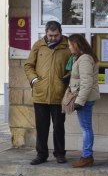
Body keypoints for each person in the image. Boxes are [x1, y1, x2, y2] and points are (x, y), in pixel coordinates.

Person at [24, 21, 72, 165]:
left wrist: (68, 76)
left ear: (61, 32)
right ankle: (41, 154)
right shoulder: (38, 46)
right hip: (41, 94)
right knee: (41, 126)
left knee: (58, 126)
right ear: (46, 32)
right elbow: (28, 66)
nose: (52, 38)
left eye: (56, 35)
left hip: (59, 93)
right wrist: (34, 80)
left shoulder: (68, 46)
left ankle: (59, 154)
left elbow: (75, 65)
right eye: (50, 35)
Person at [66, 34, 100, 168]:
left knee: (86, 128)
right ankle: (86, 155)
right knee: (86, 128)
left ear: (76, 45)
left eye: (70, 45)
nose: (68, 47)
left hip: (84, 98)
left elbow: (87, 82)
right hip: (84, 97)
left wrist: (80, 101)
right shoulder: (81, 57)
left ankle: (87, 156)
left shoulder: (84, 59)